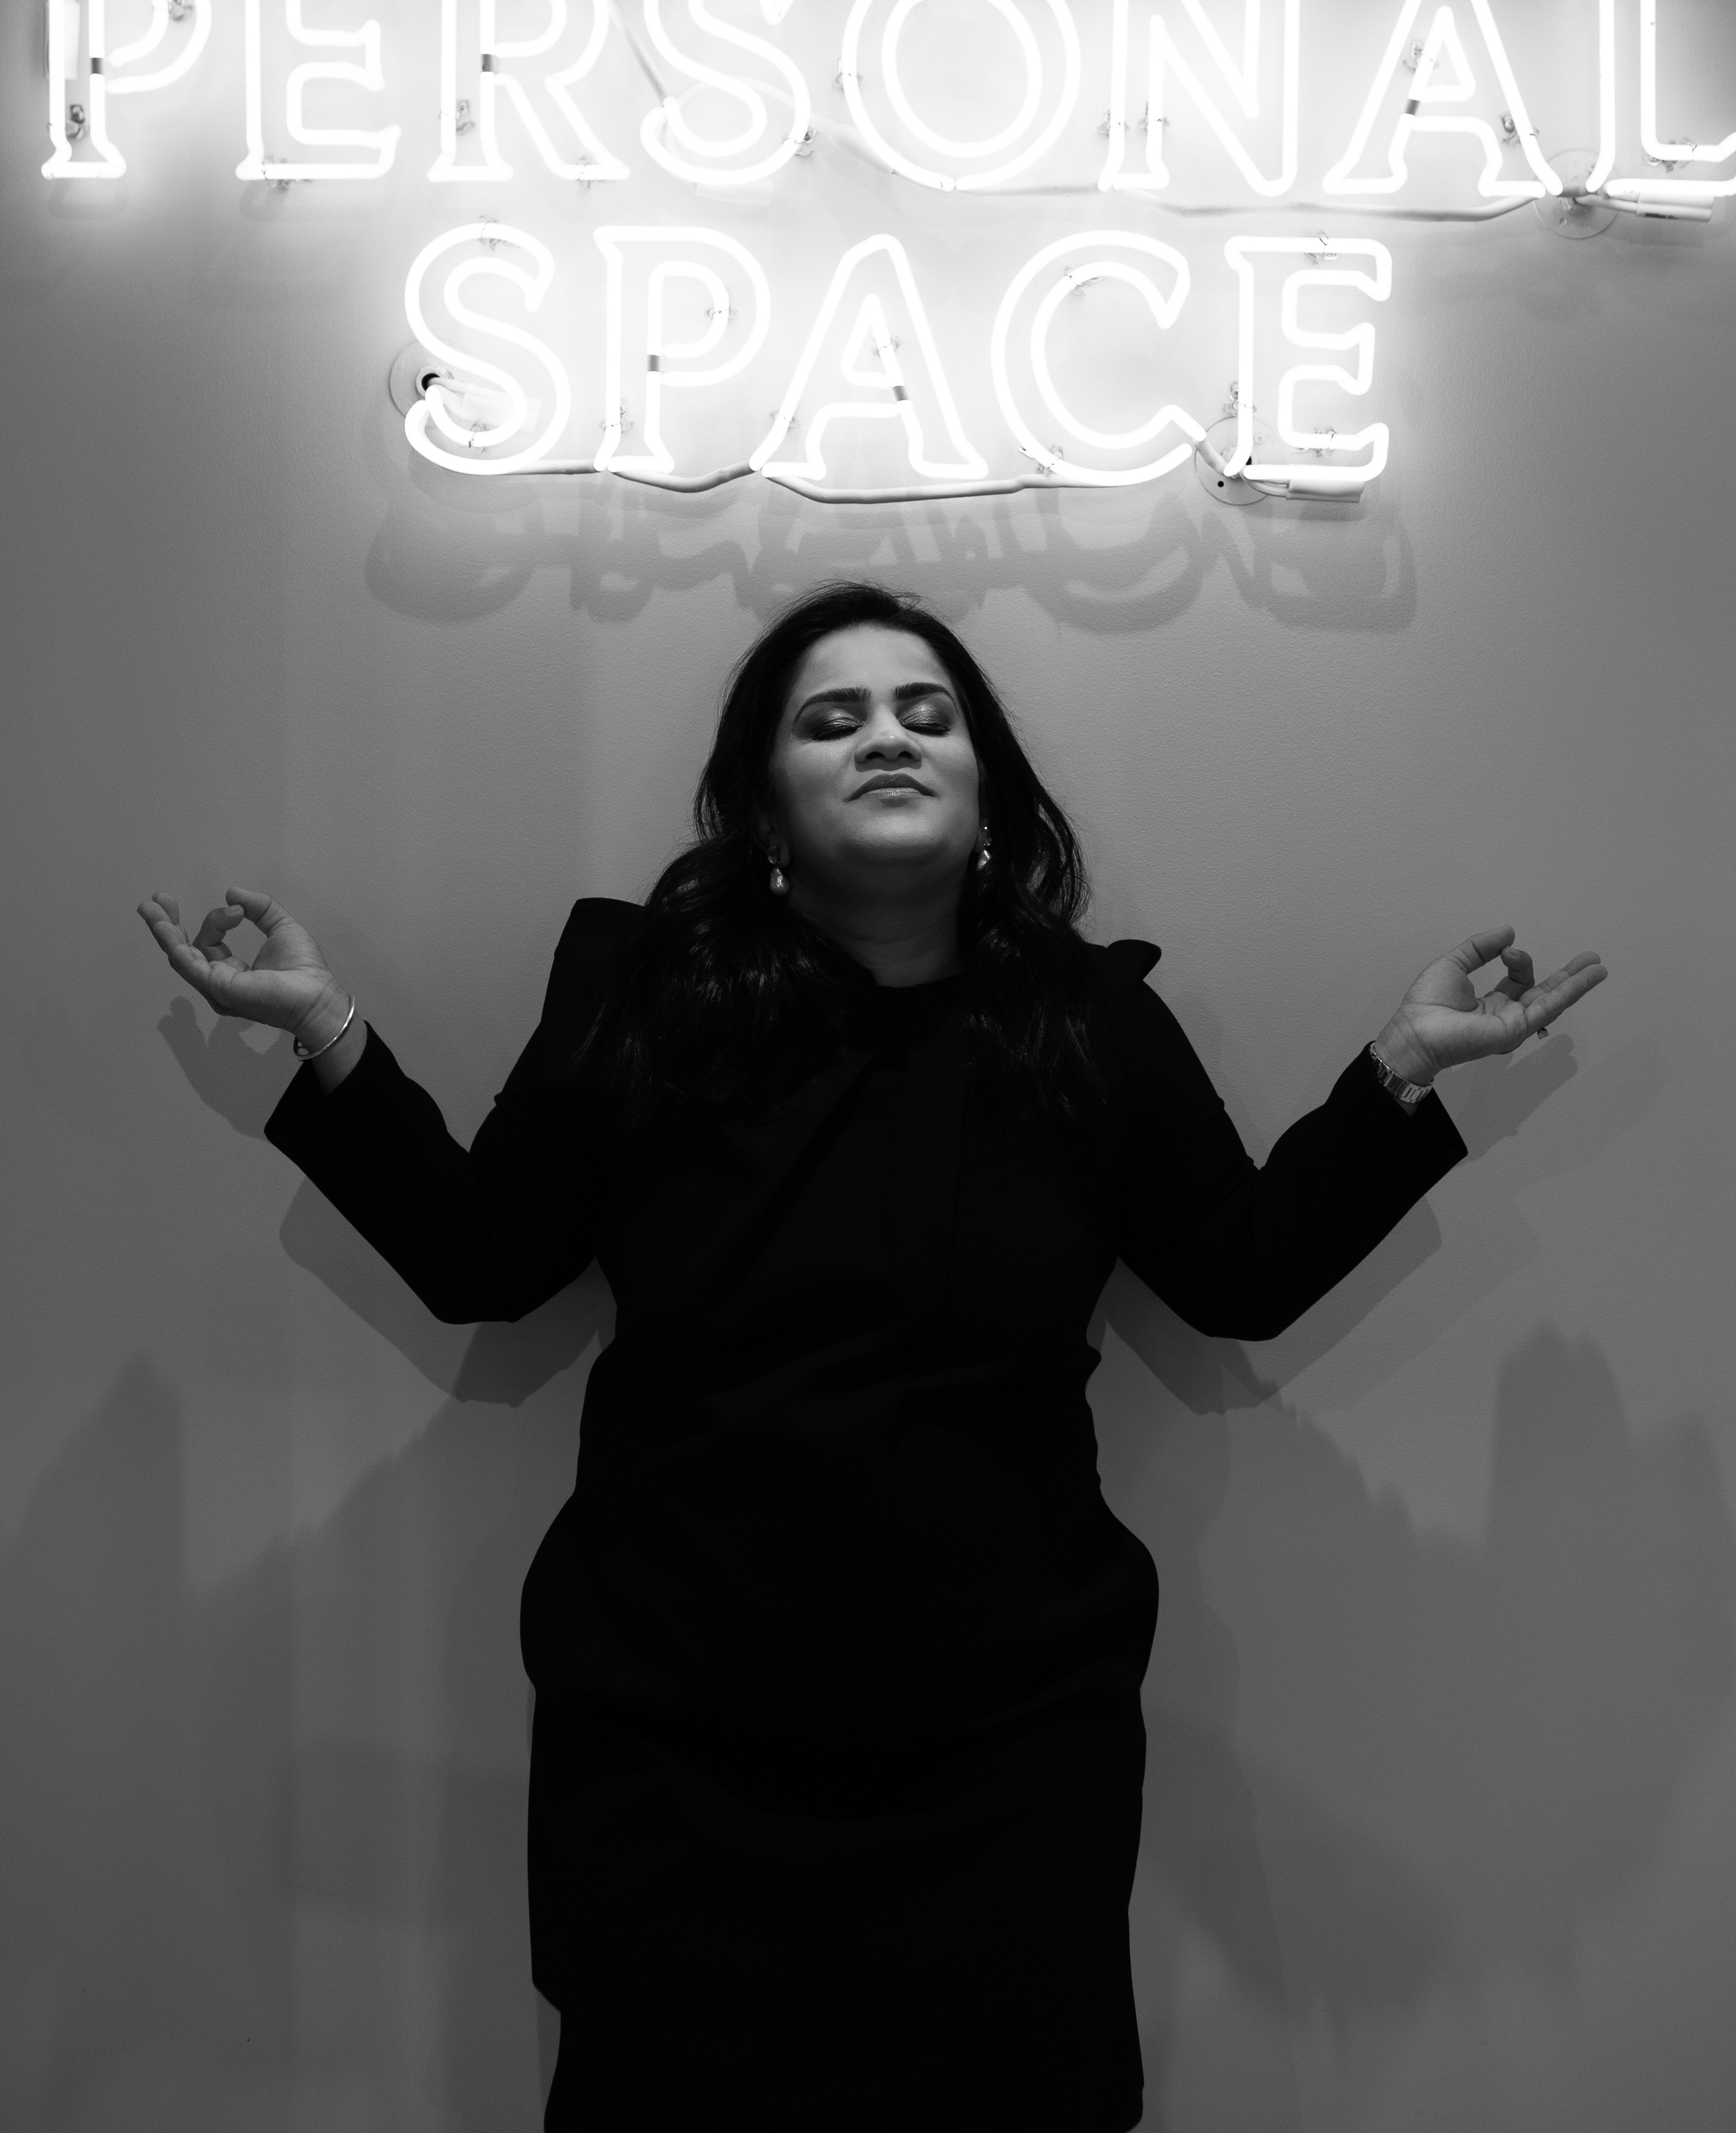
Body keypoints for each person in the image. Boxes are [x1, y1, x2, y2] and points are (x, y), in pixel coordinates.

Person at [138, 580, 1605, 2132]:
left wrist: (1400, 1073)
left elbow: (1242, 1273)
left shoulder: (1088, 1023)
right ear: (767, 807)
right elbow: (481, 1258)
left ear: (989, 793)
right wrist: (328, 1031)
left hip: (1008, 1753)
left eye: (926, 714)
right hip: (675, 1742)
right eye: (830, 721)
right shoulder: (647, 997)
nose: (887, 738)